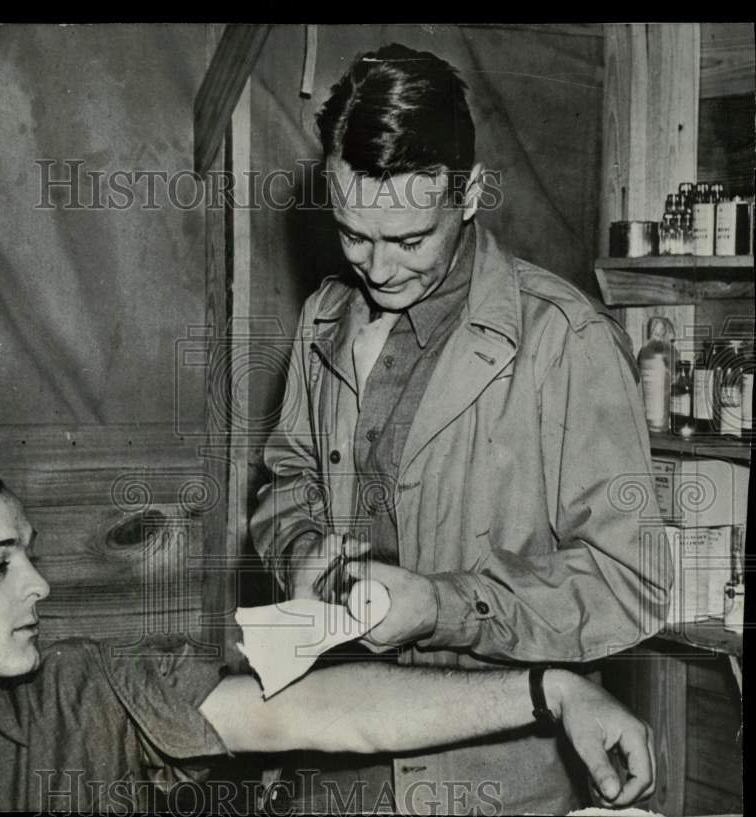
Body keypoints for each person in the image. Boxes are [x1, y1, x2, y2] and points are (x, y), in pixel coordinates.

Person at [0, 428, 656, 812]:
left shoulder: (89, 685)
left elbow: (319, 709)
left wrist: (555, 689)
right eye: (0, 564)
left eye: (33, 553)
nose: (41, 585)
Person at [249, 43, 672, 814]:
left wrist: (445, 606)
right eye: (352, 233)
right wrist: (303, 547)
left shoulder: (564, 341)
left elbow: (630, 582)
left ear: (470, 192)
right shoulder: (325, 319)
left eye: (409, 239)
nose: (376, 268)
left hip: (487, 785)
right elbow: (285, 480)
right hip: (325, 755)